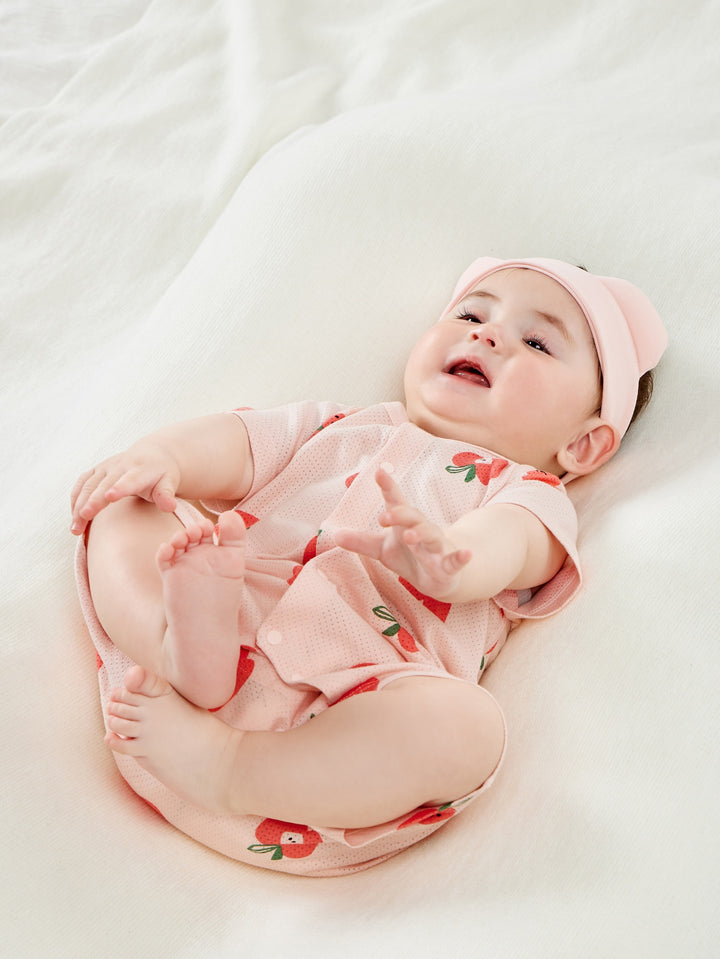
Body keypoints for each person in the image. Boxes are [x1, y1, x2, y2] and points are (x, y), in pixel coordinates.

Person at [71, 256, 667, 876]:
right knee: (127, 503)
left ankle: (230, 767)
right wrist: (163, 457)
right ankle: (178, 646)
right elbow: (237, 442)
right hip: (208, 631)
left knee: (470, 729)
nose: (488, 335)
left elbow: (513, 545)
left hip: (342, 717)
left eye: (537, 342)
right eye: (471, 315)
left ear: (582, 444)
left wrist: (452, 562)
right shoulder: (340, 424)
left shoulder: (527, 492)